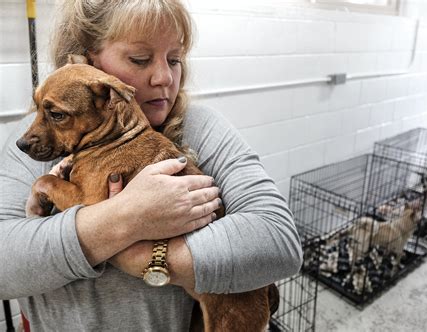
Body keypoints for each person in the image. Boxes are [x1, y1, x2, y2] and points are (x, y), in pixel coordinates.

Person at [0, 0, 303, 330]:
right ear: (87, 61)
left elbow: (280, 242)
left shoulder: (201, 126)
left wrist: (148, 258)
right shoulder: (35, 142)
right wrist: (126, 218)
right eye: (140, 59)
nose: (164, 77)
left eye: (175, 59)